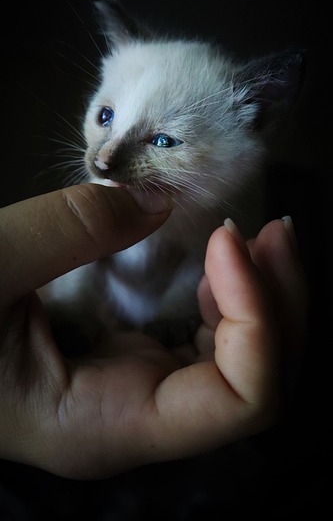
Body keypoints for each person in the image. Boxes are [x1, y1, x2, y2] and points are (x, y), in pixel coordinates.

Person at [0, 183, 308, 480]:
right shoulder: (101, 193)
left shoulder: (201, 209)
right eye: (103, 124)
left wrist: (173, 315)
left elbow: (193, 266)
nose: (104, 160)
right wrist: (73, 312)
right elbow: (82, 266)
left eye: (164, 141)